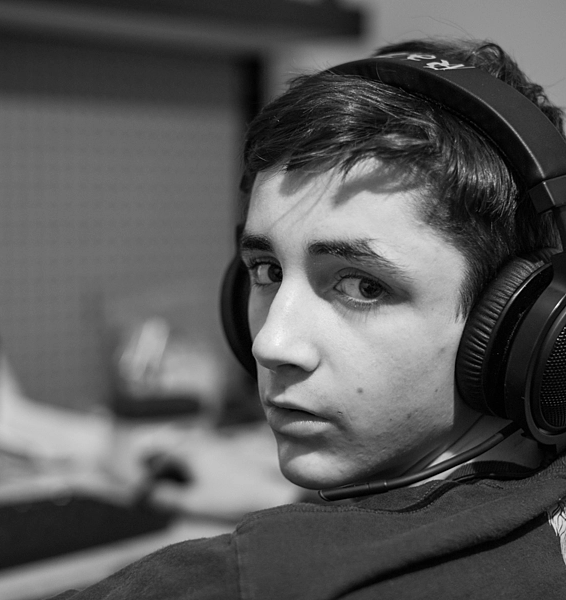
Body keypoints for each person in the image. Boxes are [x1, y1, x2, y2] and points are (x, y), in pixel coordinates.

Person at [50, 37, 566, 599]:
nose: (271, 343)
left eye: (363, 286)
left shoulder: (238, 583)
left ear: (520, 328)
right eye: (267, 271)